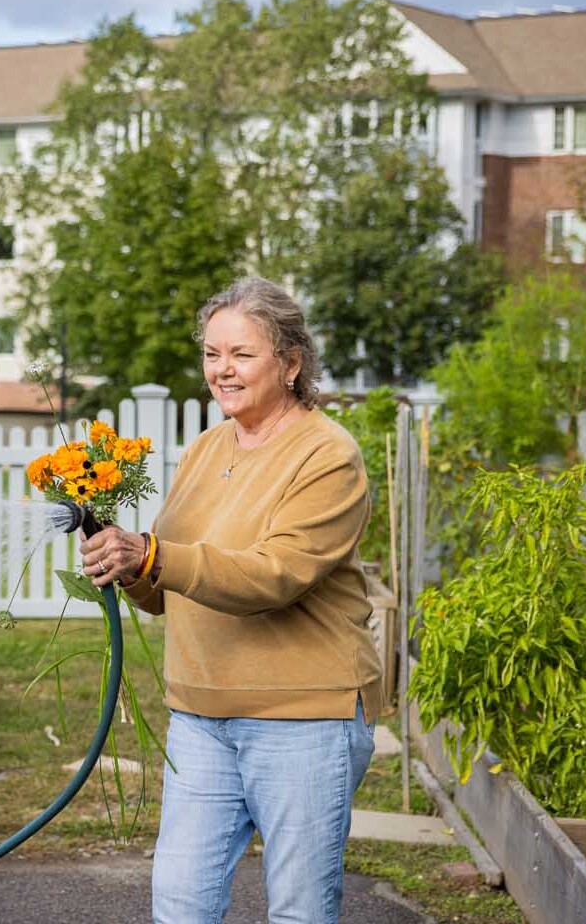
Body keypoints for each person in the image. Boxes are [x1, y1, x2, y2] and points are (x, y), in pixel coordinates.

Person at [80, 276, 383, 924]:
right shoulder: (204, 449)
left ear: (290, 361)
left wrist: (153, 556)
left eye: (241, 354)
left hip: (302, 719)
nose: (222, 370)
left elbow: (271, 576)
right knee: (180, 904)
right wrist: (125, 564)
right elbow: (169, 586)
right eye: (212, 354)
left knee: (299, 912)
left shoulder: (327, 456)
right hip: (198, 716)